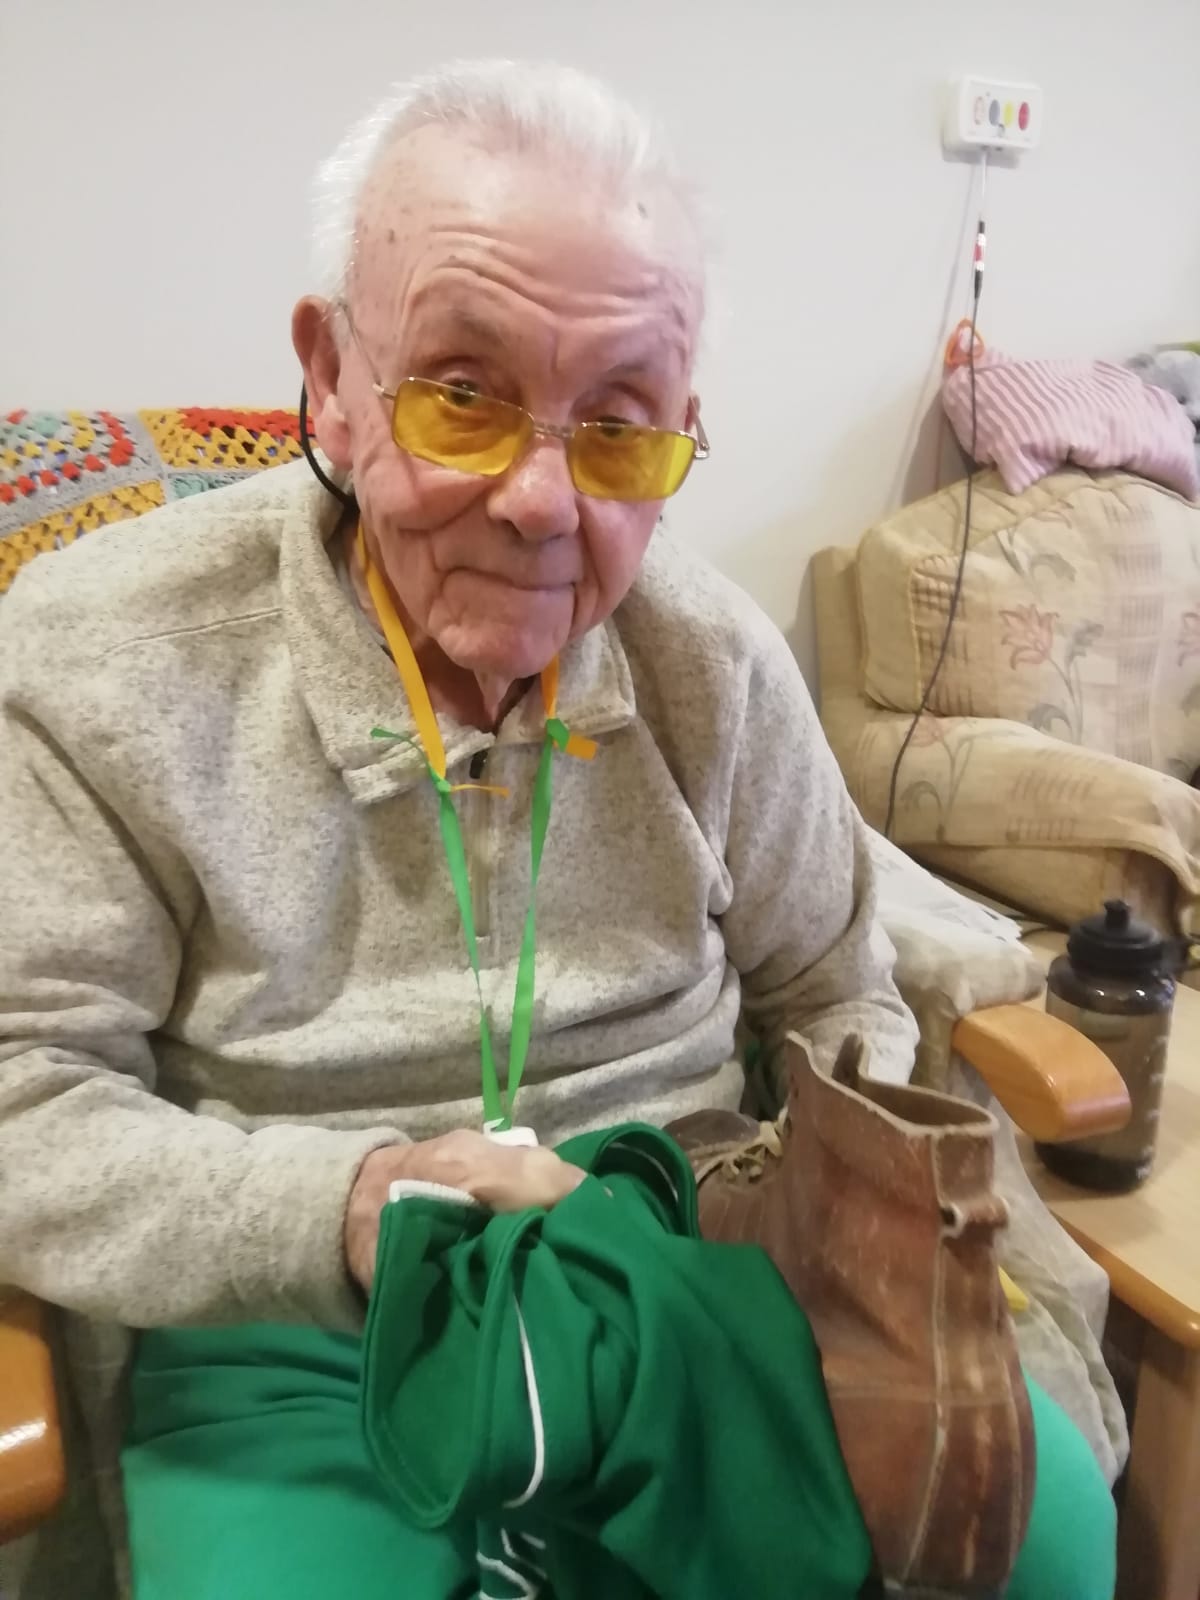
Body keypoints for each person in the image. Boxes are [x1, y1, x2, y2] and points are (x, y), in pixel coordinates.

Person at [0, 59, 1113, 1600]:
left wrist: (784, 1210)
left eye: (618, 430)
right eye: (461, 394)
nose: (539, 499)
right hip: (304, 1315)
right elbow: (24, 1096)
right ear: (327, 376)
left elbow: (832, 989)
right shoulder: (97, 658)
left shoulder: (711, 661)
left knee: (1041, 1545)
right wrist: (354, 1212)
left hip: (675, 1250)